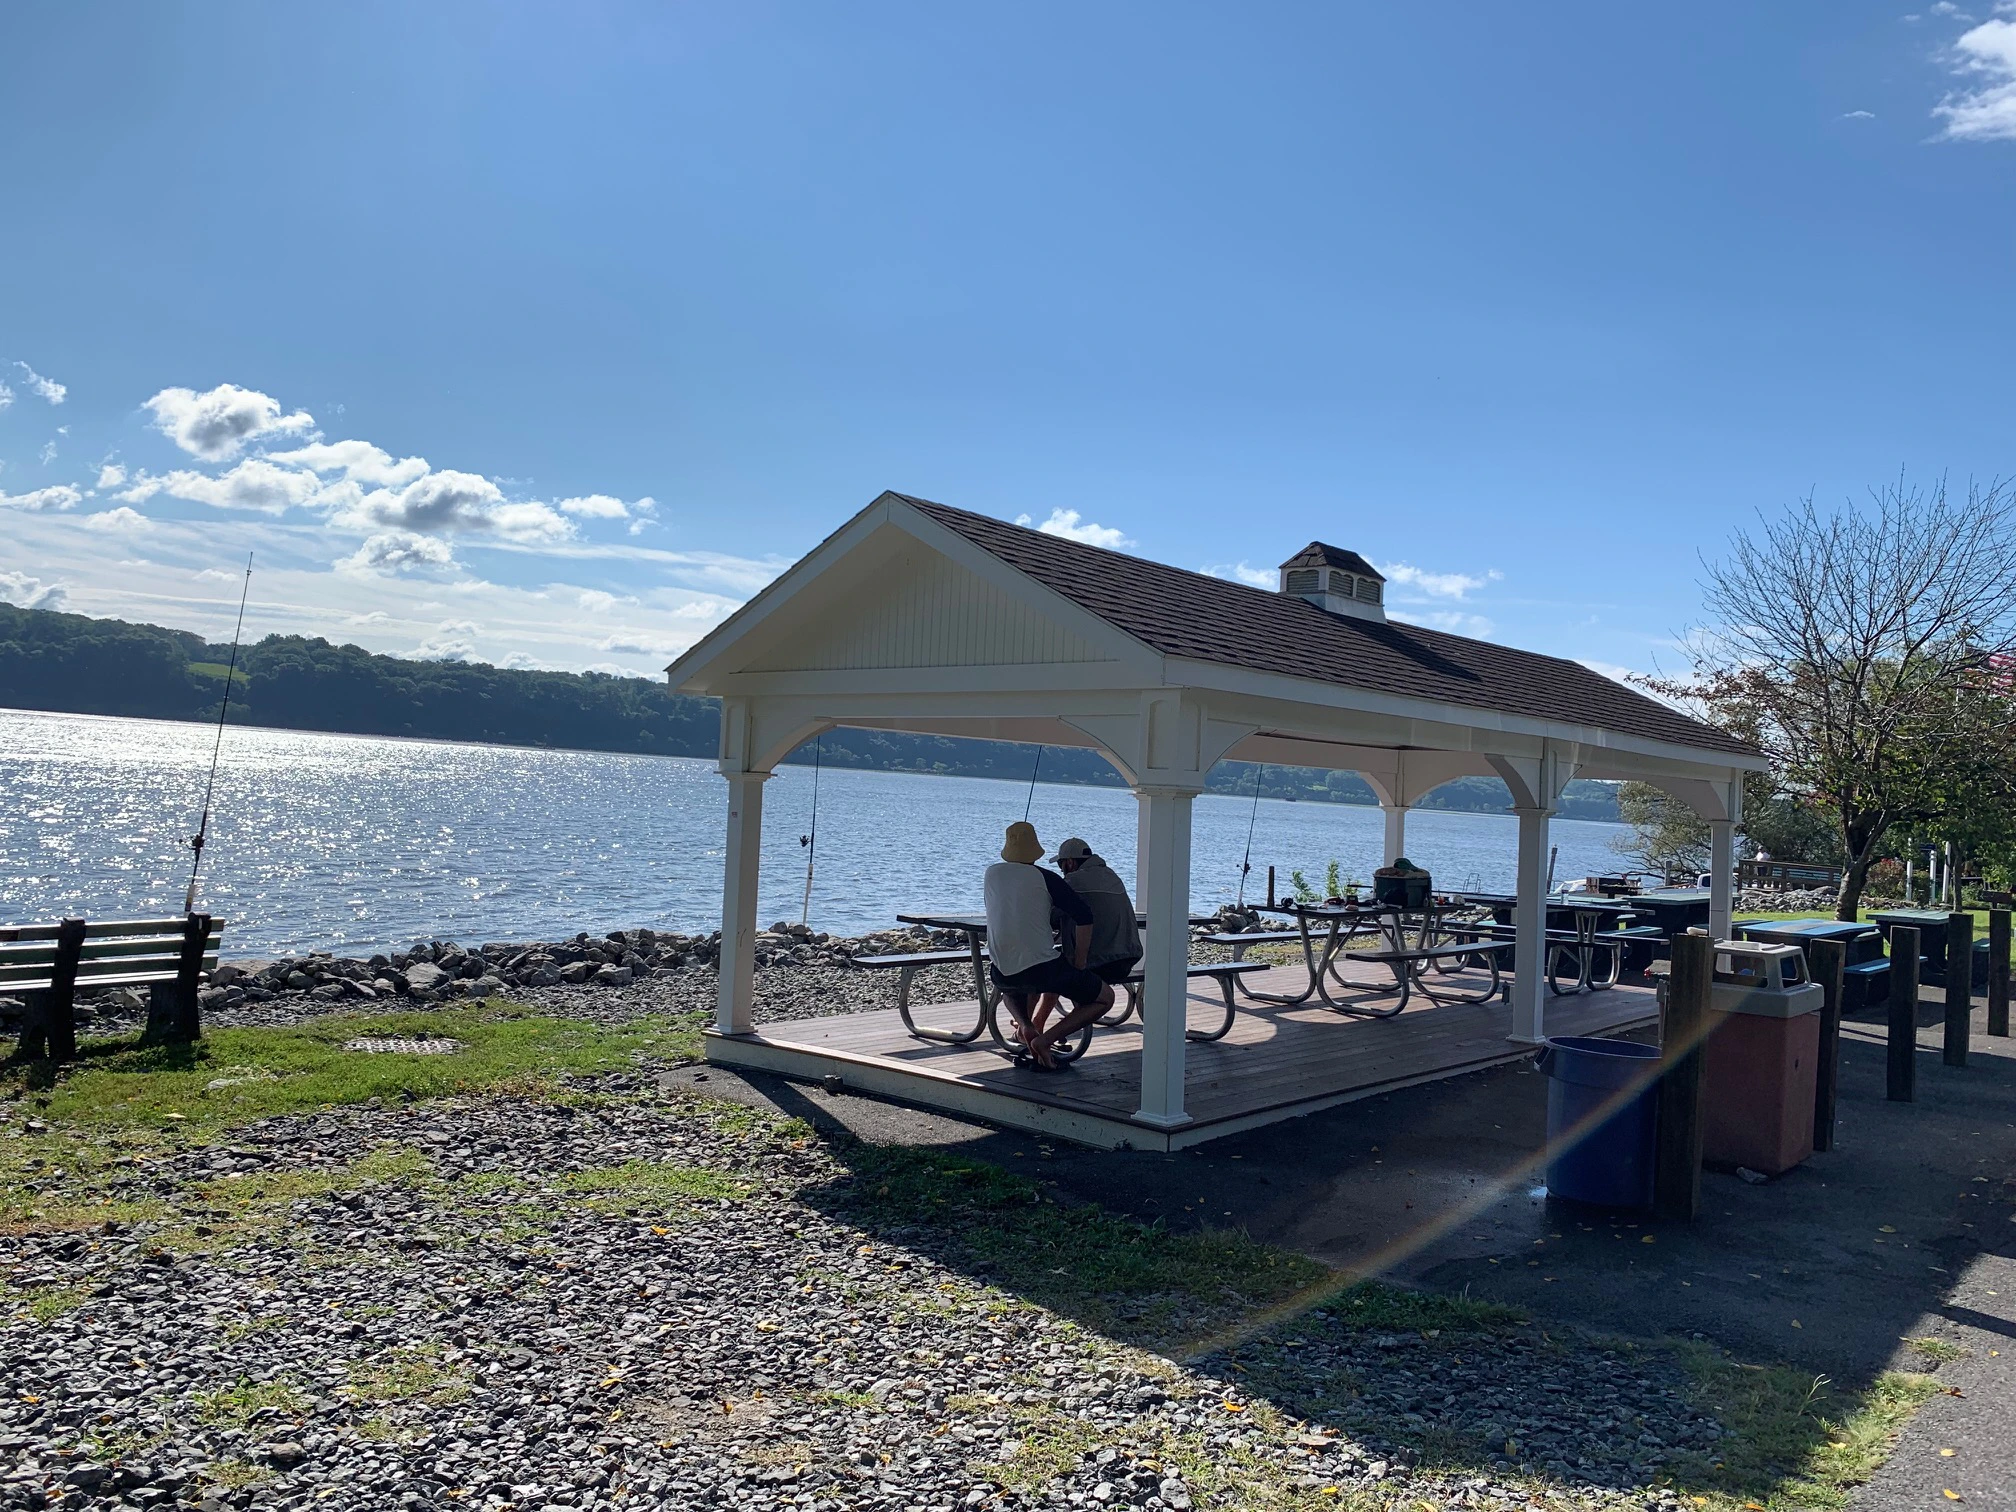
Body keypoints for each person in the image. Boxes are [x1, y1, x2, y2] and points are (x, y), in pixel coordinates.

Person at [982, 821, 1114, 1069]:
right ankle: (1046, 1039)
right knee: (1105, 997)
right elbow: (1084, 917)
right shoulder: (1046, 878)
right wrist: (1080, 962)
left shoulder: (991, 873)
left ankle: (1026, 1026)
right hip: (1042, 969)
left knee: (1011, 990)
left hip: (1000, 972)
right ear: (1036, 850)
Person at [1032, 838, 1141, 1029]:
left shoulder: (1073, 881)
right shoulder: (1112, 875)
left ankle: (1034, 1026)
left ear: (1070, 863)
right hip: (1127, 959)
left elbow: (1048, 917)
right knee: (1059, 963)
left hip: (1099, 963)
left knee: (1047, 965)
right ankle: (1036, 1024)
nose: (1061, 870)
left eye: (1060, 865)